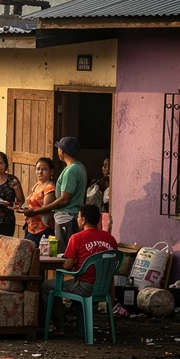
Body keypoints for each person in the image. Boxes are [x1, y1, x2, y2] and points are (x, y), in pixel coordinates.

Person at [42, 204, 117, 335]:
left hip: (84, 286)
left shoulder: (77, 238)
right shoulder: (110, 239)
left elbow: (68, 266)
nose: (77, 219)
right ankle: (82, 328)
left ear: (83, 220)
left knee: (48, 286)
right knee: (61, 284)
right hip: (105, 287)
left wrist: (67, 261)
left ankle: (57, 326)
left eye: (78, 217)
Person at [26, 137, 87, 253]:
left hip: (66, 219)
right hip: (71, 217)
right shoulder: (79, 167)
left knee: (63, 254)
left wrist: (37, 211)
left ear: (62, 151)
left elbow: (64, 199)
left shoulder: (71, 171)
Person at [18, 157, 57, 244]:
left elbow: (46, 208)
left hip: (43, 228)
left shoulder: (50, 188)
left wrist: (32, 212)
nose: (40, 172)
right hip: (30, 226)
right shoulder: (36, 185)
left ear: (51, 171)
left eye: (44, 169)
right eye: (38, 169)